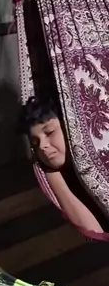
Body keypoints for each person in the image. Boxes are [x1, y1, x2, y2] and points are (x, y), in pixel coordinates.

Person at [20, 96, 106, 234]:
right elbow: (94, 234)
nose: (42, 146)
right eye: (35, 143)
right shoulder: (54, 180)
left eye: (49, 132)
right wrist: (53, 177)